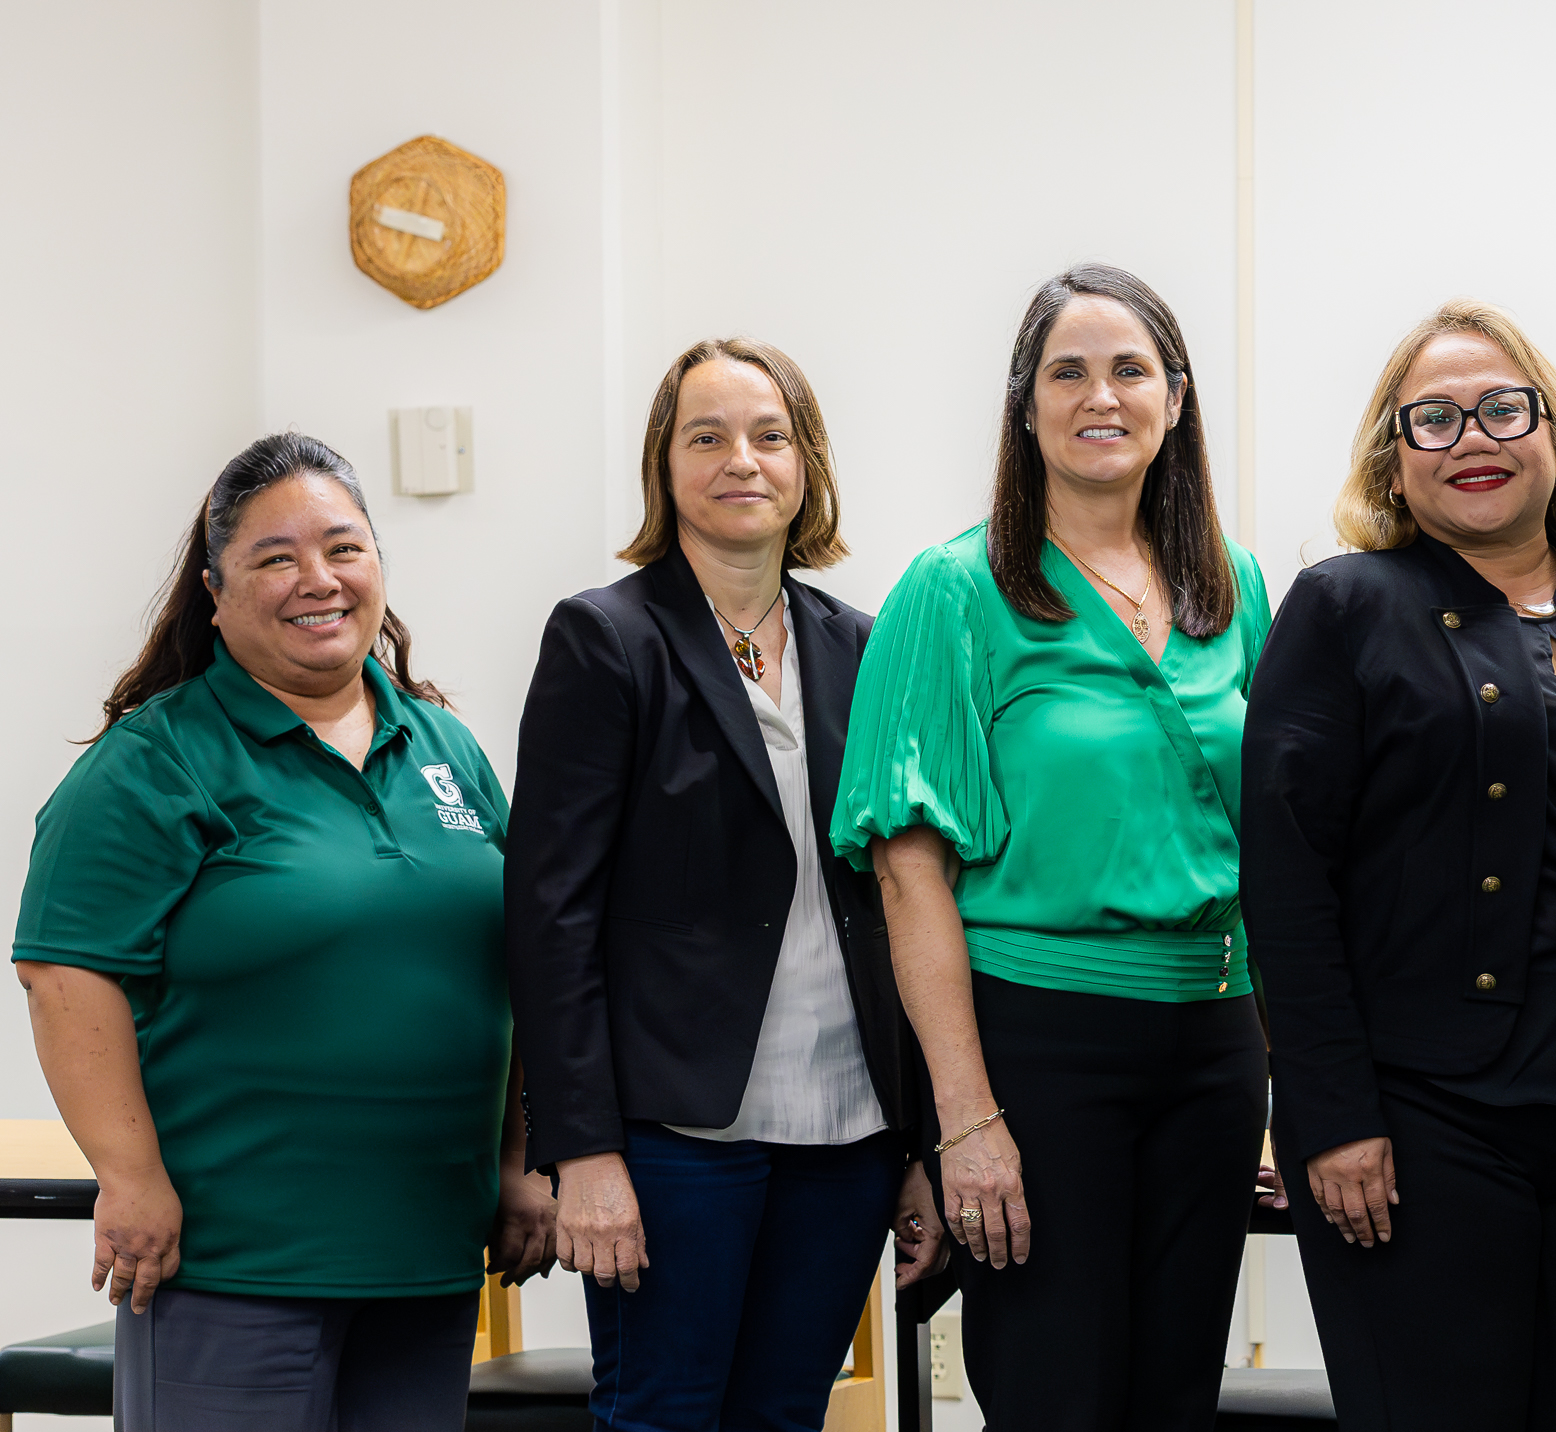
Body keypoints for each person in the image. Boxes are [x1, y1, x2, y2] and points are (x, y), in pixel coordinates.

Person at [13, 433, 552, 1431]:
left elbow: (515, 965)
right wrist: (129, 1180)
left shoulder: (443, 744)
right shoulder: (155, 760)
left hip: (427, 1250)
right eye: (275, 557)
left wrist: (521, 1160)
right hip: (233, 1259)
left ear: (380, 569)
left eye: (344, 548)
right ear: (214, 593)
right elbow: (64, 975)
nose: (319, 579)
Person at [1243, 299, 1556, 1432]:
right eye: (1435, 420)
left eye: (1502, 408)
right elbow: (1285, 880)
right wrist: (1328, 1114)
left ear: (1550, 433)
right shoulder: (1345, 605)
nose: (1474, 439)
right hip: (1422, 1117)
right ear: (1392, 461)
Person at [832, 264, 1270, 1431]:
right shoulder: (954, 589)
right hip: (1039, 1044)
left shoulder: (1234, 586)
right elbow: (906, 872)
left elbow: (1273, 845)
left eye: (1130, 369)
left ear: (1174, 399)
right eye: (1064, 371)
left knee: (1175, 1395)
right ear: (1023, 407)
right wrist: (966, 1118)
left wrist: (1283, 1074)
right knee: (1055, 1395)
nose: (1100, 395)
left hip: (1217, 1043)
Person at [508, 338, 944, 1430]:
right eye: (705, 436)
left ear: (807, 466)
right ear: (665, 465)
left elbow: (908, 895)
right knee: (662, 1411)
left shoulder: (863, 644)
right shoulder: (605, 639)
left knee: (788, 1411)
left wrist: (921, 1141)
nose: (738, 459)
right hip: (670, 1133)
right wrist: (582, 1149)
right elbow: (548, 913)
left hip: (847, 1126)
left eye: (768, 435)